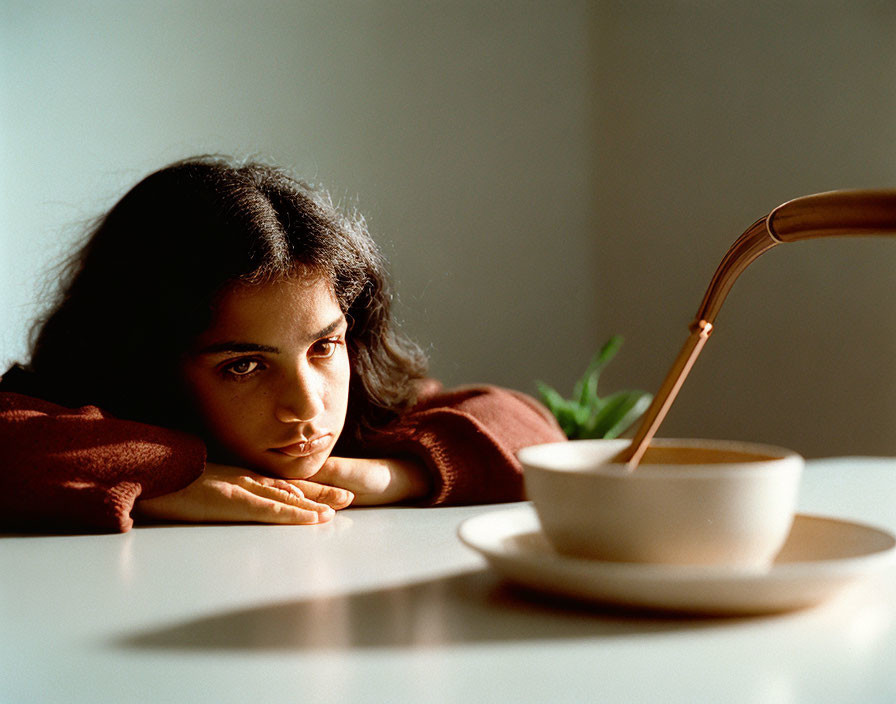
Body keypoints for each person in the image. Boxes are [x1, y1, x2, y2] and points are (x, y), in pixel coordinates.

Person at [0, 155, 565, 533]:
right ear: (148, 358)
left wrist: (399, 475)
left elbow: (532, 429)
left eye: (324, 348)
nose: (308, 405)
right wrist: (170, 475)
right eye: (244, 365)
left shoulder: (366, 425)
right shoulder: (80, 418)